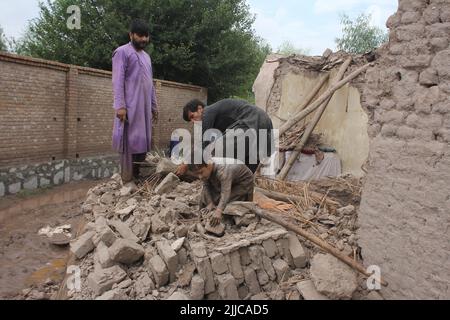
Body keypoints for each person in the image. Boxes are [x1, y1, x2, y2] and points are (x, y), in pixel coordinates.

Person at [112, 19, 159, 185]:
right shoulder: (122, 52)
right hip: (130, 108)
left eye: (146, 36)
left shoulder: (147, 57)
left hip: (144, 109)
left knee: (143, 141)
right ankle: (127, 179)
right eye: (140, 35)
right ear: (131, 34)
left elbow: (150, 83)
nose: (144, 39)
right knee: (128, 142)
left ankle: (138, 177)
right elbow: (117, 80)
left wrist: (154, 106)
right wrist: (120, 106)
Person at [177, 98, 274, 175]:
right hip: (265, 122)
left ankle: (224, 185)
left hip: (251, 120)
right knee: (246, 170)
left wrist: (187, 163)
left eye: (192, 117)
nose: (193, 121)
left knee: (221, 150)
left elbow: (204, 143)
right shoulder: (218, 119)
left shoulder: (207, 112)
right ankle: (242, 191)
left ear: (199, 109)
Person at [189, 162, 254, 227]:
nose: (200, 177)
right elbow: (206, 185)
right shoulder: (208, 170)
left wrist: (219, 210)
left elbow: (225, 192)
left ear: (209, 166)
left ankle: (226, 221)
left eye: (201, 172)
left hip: (242, 183)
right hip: (228, 181)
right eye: (197, 174)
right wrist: (210, 203)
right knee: (205, 196)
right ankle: (201, 218)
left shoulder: (222, 171)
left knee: (222, 203)